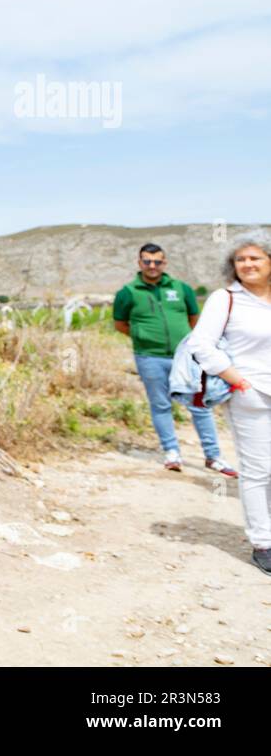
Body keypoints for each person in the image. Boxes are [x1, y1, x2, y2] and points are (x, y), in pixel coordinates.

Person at [187, 232, 271, 575]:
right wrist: (237, 379)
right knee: (258, 471)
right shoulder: (226, 298)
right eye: (241, 259)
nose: (248, 264)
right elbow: (201, 345)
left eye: (256, 258)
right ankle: (263, 543)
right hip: (252, 394)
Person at [113, 243, 235, 476]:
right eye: (147, 261)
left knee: (200, 404)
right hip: (149, 357)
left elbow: (194, 319)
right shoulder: (128, 292)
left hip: (187, 358)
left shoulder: (182, 289)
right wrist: (143, 337)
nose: (152, 266)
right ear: (139, 263)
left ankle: (213, 456)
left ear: (164, 263)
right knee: (161, 405)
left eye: (157, 261)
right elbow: (120, 324)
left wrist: (187, 347)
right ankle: (172, 452)